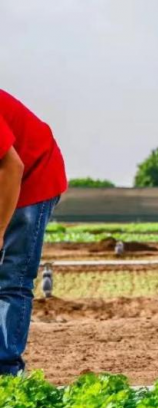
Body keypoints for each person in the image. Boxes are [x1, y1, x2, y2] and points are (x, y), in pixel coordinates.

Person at [0, 89, 67, 375]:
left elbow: (12, 167)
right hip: (7, 177)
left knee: (12, 276)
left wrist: (0, 229)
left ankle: (6, 371)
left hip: (33, 175)